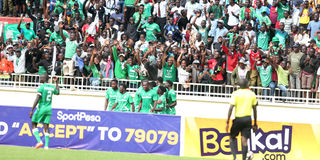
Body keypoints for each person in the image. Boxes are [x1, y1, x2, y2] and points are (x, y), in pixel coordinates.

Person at [226, 78, 258, 160]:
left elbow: (231, 108)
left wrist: (227, 122)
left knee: (232, 137)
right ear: (247, 84)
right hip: (248, 119)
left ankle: (235, 158)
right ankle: (244, 159)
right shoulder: (252, 94)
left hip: (238, 119)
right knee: (244, 140)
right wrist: (255, 123)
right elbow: (255, 109)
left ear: (239, 85)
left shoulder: (235, 94)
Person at [29, 74, 60, 149]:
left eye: (41, 77)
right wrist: (57, 83)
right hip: (49, 109)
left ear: (44, 79)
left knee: (33, 124)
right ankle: (46, 146)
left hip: (41, 108)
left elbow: (37, 98)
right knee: (46, 126)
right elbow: (58, 92)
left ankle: (39, 141)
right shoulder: (52, 87)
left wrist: (32, 110)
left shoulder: (41, 87)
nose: (40, 78)